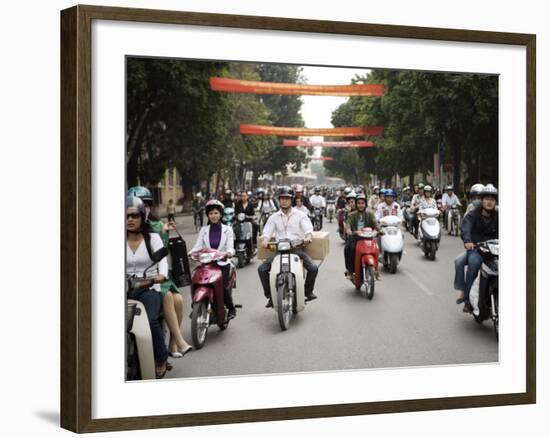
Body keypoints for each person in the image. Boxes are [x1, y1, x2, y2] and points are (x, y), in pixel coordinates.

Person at [127, 186, 193, 360]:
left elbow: (161, 256)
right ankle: (176, 341)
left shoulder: (154, 227)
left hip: (154, 279)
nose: (132, 218)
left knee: (177, 299)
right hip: (131, 283)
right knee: (171, 298)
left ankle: (172, 343)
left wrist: (163, 232)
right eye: (129, 214)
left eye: (145, 205)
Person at [126, 196, 170, 378]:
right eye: (126, 216)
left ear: (142, 217)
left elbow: (164, 262)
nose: (130, 220)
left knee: (150, 319)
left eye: (134, 216)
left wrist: (161, 276)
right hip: (125, 287)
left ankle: (161, 358)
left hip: (148, 287)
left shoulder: (152, 238)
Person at [258, 187, 318, 308]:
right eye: (282, 199)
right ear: (279, 200)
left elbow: (308, 229)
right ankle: (270, 296)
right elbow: (267, 232)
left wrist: (308, 237)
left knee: (313, 268)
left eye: (287, 198)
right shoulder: (273, 217)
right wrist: (265, 240)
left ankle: (307, 291)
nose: (284, 201)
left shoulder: (301, 215)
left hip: (296, 249)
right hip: (279, 251)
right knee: (262, 269)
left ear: (292, 200)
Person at [454, 184, 498, 313]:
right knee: (471, 263)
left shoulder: (498, 215)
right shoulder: (474, 213)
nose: (489, 202)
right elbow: (466, 226)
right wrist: (467, 241)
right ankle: (467, 300)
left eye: (492, 199)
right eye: (486, 198)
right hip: (477, 249)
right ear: (482, 200)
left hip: (494, 251)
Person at [189, 200, 237, 319]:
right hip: (207, 263)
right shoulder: (204, 230)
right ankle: (196, 305)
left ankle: (231, 308)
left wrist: (229, 253)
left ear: (220, 214)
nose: (213, 216)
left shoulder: (228, 229)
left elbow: (231, 247)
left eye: (216, 213)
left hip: (222, 263)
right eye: (211, 213)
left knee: (222, 286)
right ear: (208, 215)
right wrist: (191, 253)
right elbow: (198, 246)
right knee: (195, 280)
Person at [344, 194, 381, 280]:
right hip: (355, 237)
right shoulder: (352, 215)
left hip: (368, 238)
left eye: (363, 203)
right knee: (349, 248)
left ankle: (375, 270)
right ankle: (350, 270)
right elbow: (348, 224)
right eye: (359, 203)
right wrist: (349, 230)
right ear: (356, 204)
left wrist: (380, 230)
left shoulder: (370, 214)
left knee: (376, 248)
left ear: (365, 204)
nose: (361, 205)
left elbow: (375, 223)